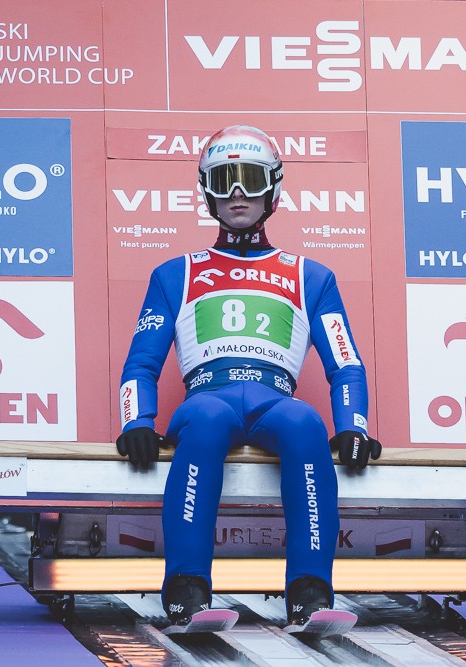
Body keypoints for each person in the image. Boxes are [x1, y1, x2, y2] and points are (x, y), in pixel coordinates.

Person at [116, 125, 381, 629]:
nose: (237, 193)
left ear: (273, 188)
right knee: (206, 420)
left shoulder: (311, 275)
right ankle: (186, 591)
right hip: (207, 396)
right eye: (223, 180)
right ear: (207, 192)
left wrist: (354, 425)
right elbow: (141, 363)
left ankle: (309, 593)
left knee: (305, 423)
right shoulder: (175, 273)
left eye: (251, 179)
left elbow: (345, 363)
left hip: (275, 399)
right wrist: (137, 420)